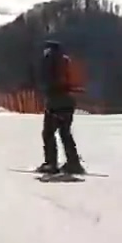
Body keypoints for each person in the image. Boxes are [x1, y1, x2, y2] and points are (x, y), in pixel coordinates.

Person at [35, 39, 86, 175]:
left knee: (48, 133)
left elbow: (48, 82)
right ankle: (73, 163)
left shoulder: (50, 60)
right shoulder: (66, 61)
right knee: (65, 132)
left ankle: (51, 163)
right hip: (69, 101)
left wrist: (45, 91)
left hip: (56, 101)